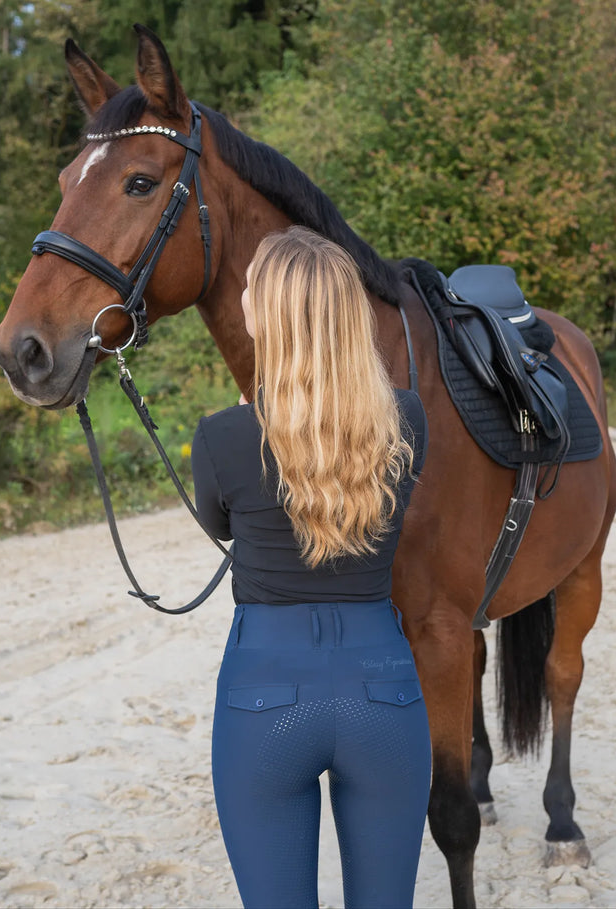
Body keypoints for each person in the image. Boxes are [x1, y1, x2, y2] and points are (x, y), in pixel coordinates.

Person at [191, 226, 431, 909]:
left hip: (262, 693)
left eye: (249, 290)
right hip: (383, 688)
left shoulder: (220, 438)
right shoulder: (406, 419)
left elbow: (221, 526)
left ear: (264, 314)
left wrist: (252, 420)